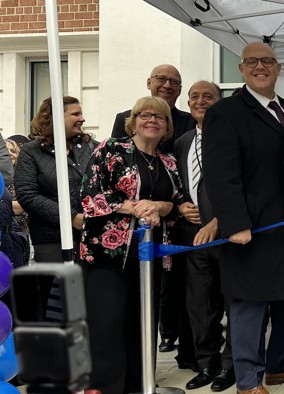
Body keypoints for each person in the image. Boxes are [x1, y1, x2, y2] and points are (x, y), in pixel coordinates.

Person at [203, 42, 284, 394]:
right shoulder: (225, 112)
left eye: (268, 61)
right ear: (242, 69)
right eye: (253, 62)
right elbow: (220, 174)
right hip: (251, 227)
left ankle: (280, 365)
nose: (261, 67)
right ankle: (247, 380)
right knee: (250, 303)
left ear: (278, 68)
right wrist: (234, 223)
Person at [80, 96, 183, 394]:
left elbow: (175, 204)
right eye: (145, 115)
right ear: (133, 121)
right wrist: (136, 207)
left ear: (167, 126)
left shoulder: (168, 161)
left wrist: (159, 206)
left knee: (143, 322)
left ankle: (140, 384)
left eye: (160, 117)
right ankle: (106, 387)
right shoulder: (111, 149)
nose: (152, 121)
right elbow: (90, 196)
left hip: (149, 256)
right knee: (107, 323)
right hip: (107, 255)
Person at [173, 81, 236, 391]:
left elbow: (242, 186)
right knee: (199, 306)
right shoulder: (182, 142)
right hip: (191, 238)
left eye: (208, 96)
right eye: (195, 97)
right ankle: (206, 364)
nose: (201, 101)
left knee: (233, 304)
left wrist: (218, 220)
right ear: (187, 103)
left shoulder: (233, 138)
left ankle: (229, 366)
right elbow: (178, 184)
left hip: (227, 236)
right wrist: (181, 204)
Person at [16, 96, 96, 262]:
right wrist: (72, 217)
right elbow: (27, 195)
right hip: (51, 240)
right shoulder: (32, 152)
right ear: (56, 117)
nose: (82, 119)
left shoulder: (94, 147)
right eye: (76, 114)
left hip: (92, 237)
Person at [110, 64, 197, 153]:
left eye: (174, 82)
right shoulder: (125, 119)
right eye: (161, 79)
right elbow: (115, 155)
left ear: (180, 90)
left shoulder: (192, 122)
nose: (167, 85)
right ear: (149, 83)